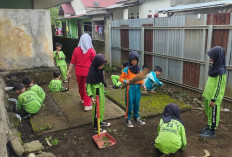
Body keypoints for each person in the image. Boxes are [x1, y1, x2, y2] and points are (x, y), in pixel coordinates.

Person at [200, 46, 226, 138]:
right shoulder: (215, 67)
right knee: (209, 112)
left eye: (211, 56)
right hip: (208, 95)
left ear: (217, 57)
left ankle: (212, 131)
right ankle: (209, 126)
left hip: (214, 98)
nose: (210, 58)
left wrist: (213, 99)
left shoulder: (221, 71)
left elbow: (218, 87)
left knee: (213, 113)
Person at [67, 33, 96, 111]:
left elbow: (72, 62)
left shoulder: (76, 50)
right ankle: (87, 105)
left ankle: (82, 99)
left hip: (78, 72)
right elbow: (95, 63)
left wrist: (69, 71)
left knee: (80, 85)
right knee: (87, 87)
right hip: (88, 72)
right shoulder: (91, 51)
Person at [119, 51, 147, 128]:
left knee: (137, 103)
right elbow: (120, 78)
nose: (134, 62)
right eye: (132, 60)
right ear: (130, 60)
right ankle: (127, 119)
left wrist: (143, 85)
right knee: (129, 104)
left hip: (137, 88)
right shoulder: (127, 69)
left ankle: (136, 117)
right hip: (130, 87)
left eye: (135, 60)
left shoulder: (139, 68)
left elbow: (141, 79)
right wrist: (125, 81)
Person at [86, 54, 111, 132]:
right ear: (97, 63)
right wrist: (91, 97)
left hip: (101, 91)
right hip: (96, 93)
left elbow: (101, 79)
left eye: (103, 65)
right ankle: (96, 126)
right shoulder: (91, 73)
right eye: (101, 65)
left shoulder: (100, 70)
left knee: (102, 107)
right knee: (96, 109)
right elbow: (88, 86)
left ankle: (100, 121)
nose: (102, 66)